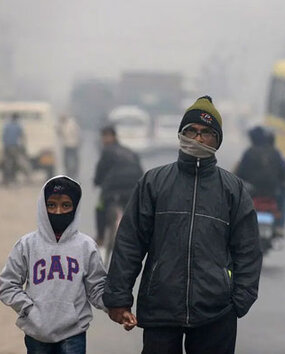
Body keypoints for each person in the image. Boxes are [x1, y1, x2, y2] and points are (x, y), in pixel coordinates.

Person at [103, 96, 262, 354]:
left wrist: (239, 301)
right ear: (181, 134)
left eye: (206, 133)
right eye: (191, 131)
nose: (198, 139)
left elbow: (248, 250)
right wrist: (118, 298)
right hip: (160, 307)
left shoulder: (233, 189)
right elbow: (130, 242)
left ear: (217, 140)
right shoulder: (153, 183)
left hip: (216, 313)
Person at [0, 176, 106, 354]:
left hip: (73, 332)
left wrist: (116, 307)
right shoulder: (27, 245)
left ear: (75, 208)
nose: (57, 211)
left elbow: (96, 288)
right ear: (43, 206)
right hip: (37, 333)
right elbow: (7, 285)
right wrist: (29, 310)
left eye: (65, 205)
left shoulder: (86, 246)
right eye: (51, 205)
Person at [93, 126, 143, 247]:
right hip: (133, 186)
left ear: (113, 137)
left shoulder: (107, 151)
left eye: (106, 136)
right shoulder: (129, 151)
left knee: (100, 206)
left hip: (113, 187)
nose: (105, 139)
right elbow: (140, 170)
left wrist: (97, 182)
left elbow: (100, 171)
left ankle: (100, 237)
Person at [235, 126, 285, 236]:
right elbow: (284, 172)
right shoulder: (275, 152)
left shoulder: (249, 152)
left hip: (252, 190)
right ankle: (280, 226)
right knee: (283, 196)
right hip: (272, 191)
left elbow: (240, 172)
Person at [2, 113, 30, 184]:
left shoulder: (7, 126)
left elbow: (3, 136)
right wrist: (23, 146)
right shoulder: (18, 126)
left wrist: (5, 145)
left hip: (7, 147)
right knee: (15, 163)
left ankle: (6, 179)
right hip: (14, 147)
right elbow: (22, 136)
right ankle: (13, 178)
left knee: (7, 162)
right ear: (17, 118)